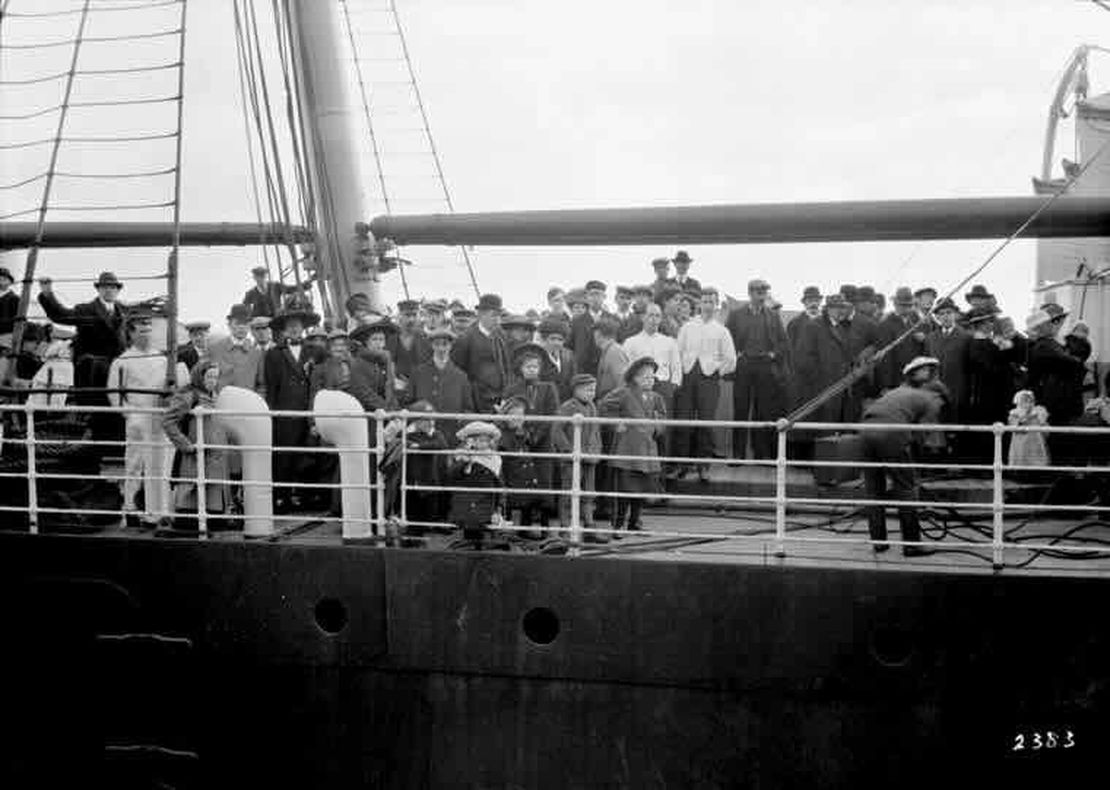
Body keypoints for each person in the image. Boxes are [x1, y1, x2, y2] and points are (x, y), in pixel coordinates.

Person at [106, 310, 188, 528]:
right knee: (134, 465)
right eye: (141, 331)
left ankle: (160, 511)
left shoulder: (161, 358)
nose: (146, 335)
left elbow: (171, 386)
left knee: (162, 466)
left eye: (149, 330)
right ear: (131, 333)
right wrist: (129, 414)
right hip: (137, 419)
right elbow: (114, 393)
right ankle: (130, 509)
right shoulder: (122, 361)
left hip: (160, 420)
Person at [860, 356, 948, 557]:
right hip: (891, 433)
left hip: (865, 431)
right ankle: (912, 545)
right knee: (906, 488)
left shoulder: (896, 392)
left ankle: (879, 542)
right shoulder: (931, 399)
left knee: (874, 490)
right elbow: (923, 435)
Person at [38, 271, 129, 457]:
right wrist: (48, 294)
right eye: (105, 287)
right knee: (97, 413)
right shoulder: (85, 310)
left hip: (117, 373)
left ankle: (116, 453)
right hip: (92, 374)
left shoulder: (124, 312)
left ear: (117, 290)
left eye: (113, 287)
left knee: (117, 411)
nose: (109, 290)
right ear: (99, 289)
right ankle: (96, 455)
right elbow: (60, 315)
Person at [599, 356, 667, 536]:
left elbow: (662, 417)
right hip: (627, 449)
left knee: (642, 489)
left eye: (652, 377)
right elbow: (604, 406)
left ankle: (634, 522)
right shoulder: (624, 392)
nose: (650, 381)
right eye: (645, 377)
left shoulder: (656, 397)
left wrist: (657, 428)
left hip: (647, 451)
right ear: (634, 377)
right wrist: (616, 423)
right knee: (624, 489)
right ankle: (618, 525)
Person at [674, 287, 736, 480]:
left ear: (716, 305)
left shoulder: (722, 331)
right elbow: (677, 352)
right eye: (705, 301)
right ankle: (682, 465)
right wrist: (681, 373)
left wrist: (716, 370)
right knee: (684, 421)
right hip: (687, 377)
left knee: (705, 422)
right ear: (699, 304)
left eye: (711, 302)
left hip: (708, 380)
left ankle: (703, 467)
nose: (707, 305)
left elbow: (731, 359)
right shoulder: (687, 327)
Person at [163, 360, 232, 533]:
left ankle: (214, 519)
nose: (212, 381)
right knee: (193, 495)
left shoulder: (214, 395)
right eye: (209, 376)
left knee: (212, 502)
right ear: (199, 376)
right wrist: (186, 445)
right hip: (195, 457)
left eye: (215, 377)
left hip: (214, 461)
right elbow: (168, 421)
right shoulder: (188, 395)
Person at [262, 305, 318, 513]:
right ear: (284, 329)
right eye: (290, 326)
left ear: (303, 328)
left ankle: (307, 497)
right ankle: (281, 498)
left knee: (309, 455)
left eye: (298, 325)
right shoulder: (274, 354)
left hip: (308, 411)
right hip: (285, 413)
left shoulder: (315, 351)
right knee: (283, 457)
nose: (294, 329)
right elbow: (271, 388)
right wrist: (273, 415)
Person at [726, 278, 790, 459]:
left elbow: (784, 343)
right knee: (740, 409)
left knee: (763, 411)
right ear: (750, 293)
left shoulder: (773, 315)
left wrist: (772, 355)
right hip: (743, 366)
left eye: (764, 292)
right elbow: (727, 340)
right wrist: (735, 355)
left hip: (765, 367)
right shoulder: (736, 315)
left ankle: (761, 454)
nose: (762, 296)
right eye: (758, 292)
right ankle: (738, 454)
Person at [794, 293, 870, 426]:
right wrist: (821, 381)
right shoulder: (813, 326)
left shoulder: (840, 327)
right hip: (820, 390)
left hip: (838, 388)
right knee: (821, 429)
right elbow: (803, 360)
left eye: (843, 307)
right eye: (838, 308)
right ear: (828, 309)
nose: (842, 311)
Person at [622, 302, 682, 467]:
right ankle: (641, 466)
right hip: (639, 389)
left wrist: (672, 386)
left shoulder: (669, 342)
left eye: (657, 316)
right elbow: (625, 369)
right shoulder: (631, 342)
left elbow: (676, 367)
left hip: (663, 387)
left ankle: (663, 467)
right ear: (643, 317)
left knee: (662, 427)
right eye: (650, 315)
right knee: (641, 427)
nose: (654, 320)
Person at [1026, 304, 1087, 464]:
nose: (1054, 325)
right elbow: (1072, 362)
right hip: (1055, 402)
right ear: (1041, 327)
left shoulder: (1049, 344)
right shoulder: (1044, 346)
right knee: (1060, 438)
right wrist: (1076, 360)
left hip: (1058, 400)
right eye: (1050, 322)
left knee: (1061, 437)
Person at [551, 374, 603, 541]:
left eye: (593, 390)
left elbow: (595, 431)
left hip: (590, 457)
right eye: (588, 390)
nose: (591, 393)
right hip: (572, 459)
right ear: (576, 390)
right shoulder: (567, 407)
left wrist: (597, 449)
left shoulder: (593, 407)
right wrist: (568, 450)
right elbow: (557, 431)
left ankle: (589, 526)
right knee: (568, 492)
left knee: (589, 493)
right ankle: (565, 526)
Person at [408, 327, 474, 443]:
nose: (441, 348)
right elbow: (409, 402)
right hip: (422, 436)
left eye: (445, 344)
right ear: (431, 346)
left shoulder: (461, 376)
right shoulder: (418, 373)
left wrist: (460, 429)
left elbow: (468, 409)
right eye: (437, 344)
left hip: (451, 435)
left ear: (451, 346)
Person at [498, 395, 552, 535]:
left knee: (543, 497)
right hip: (512, 479)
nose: (518, 418)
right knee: (526, 498)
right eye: (513, 414)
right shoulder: (502, 435)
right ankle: (522, 531)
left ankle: (541, 531)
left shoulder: (524, 433)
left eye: (521, 415)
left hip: (526, 478)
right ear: (506, 415)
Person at [447, 420, 505, 548]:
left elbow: (499, 484)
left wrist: (499, 508)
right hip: (465, 502)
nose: (483, 443)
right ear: (470, 441)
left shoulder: (495, 459)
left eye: (485, 440)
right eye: (479, 440)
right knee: (470, 534)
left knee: (480, 535)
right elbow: (451, 476)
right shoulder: (462, 456)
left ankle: (477, 554)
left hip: (485, 503)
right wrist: (465, 461)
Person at [450, 293, 509, 413]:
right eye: (493, 315)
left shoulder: (500, 338)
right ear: (481, 314)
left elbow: (505, 368)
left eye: (499, 316)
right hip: (476, 403)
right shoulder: (466, 339)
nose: (497, 320)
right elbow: (457, 373)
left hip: (499, 401)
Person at [925, 297, 972, 427]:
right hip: (935, 391)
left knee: (956, 426)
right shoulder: (931, 338)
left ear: (955, 315)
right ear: (937, 317)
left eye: (949, 313)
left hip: (958, 391)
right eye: (941, 313)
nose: (945, 316)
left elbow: (970, 368)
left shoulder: (966, 337)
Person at [877, 287, 926, 392]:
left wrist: (924, 340)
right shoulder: (886, 325)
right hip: (896, 379)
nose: (906, 308)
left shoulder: (917, 321)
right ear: (895, 305)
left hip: (915, 376)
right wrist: (887, 385)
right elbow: (885, 358)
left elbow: (924, 350)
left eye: (909, 305)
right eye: (903, 305)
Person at [207, 304, 264, 393]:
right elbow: (201, 378)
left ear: (249, 326)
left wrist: (257, 402)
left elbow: (262, 384)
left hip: (247, 403)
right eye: (237, 323)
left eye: (245, 323)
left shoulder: (257, 353)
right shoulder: (214, 348)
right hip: (221, 403)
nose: (241, 327)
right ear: (229, 325)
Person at [388, 299, 432, 400]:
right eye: (407, 315)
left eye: (414, 315)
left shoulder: (427, 340)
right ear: (400, 317)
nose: (411, 319)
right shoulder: (391, 340)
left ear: (419, 317)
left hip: (422, 390)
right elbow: (389, 365)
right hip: (399, 392)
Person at [568, 280, 611, 376]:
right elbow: (570, 348)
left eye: (599, 294)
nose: (595, 298)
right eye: (592, 294)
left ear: (604, 297)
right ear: (586, 297)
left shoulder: (613, 320)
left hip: (607, 371)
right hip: (584, 372)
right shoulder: (576, 322)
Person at [242, 265, 315, 318]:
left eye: (262, 275)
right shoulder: (251, 293)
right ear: (255, 278)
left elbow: (291, 289)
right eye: (258, 276)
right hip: (262, 324)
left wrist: (306, 284)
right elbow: (245, 308)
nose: (260, 278)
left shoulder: (275, 286)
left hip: (277, 319)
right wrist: (251, 318)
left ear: (265, 276)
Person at [1007, 389, 1049, 470]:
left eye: (1030, 400)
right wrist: (1026, 416)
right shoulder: (1014, 414)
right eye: (1024, 400)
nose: (1028, 403)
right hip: (1021, 443)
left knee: (1036, 461)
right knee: (1020, 460)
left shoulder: (1039, 412)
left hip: (1035, 442)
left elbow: (1045, 429)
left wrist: (1042, 423)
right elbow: (1016, 428)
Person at [537, 318, 576, 401]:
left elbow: (573, 380)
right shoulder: (537, 357)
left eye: (560, 340)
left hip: (565, 402)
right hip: (544, 402)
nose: (556, 343)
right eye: (552, 339)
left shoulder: (569, 356)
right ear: (544, 339)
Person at [786, 286, 822, 357]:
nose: (813, 304)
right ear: (804, 302)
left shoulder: (827, 321)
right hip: (802, 366)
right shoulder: (795, 323)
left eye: (816, 300)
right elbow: (789, 348)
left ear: (820, 302)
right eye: (810, 300)